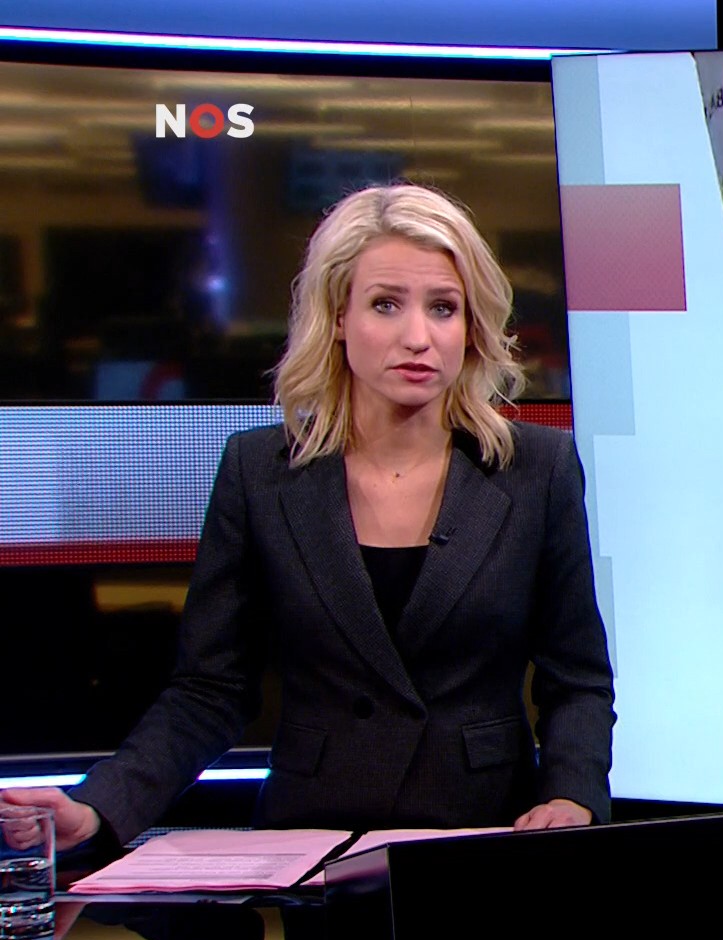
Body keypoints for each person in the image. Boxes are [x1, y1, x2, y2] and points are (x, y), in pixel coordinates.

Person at [2, 183, 615, 852]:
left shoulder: (537, 468)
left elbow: (577, 678)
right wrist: (98, 806)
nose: (418, 337)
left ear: (471, 326)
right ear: (338, 315)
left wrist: (571, 794)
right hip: (313, 840)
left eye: (443, 307)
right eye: (386, 304)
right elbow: (210, 691)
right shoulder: (259, 472)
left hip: (482, 834)